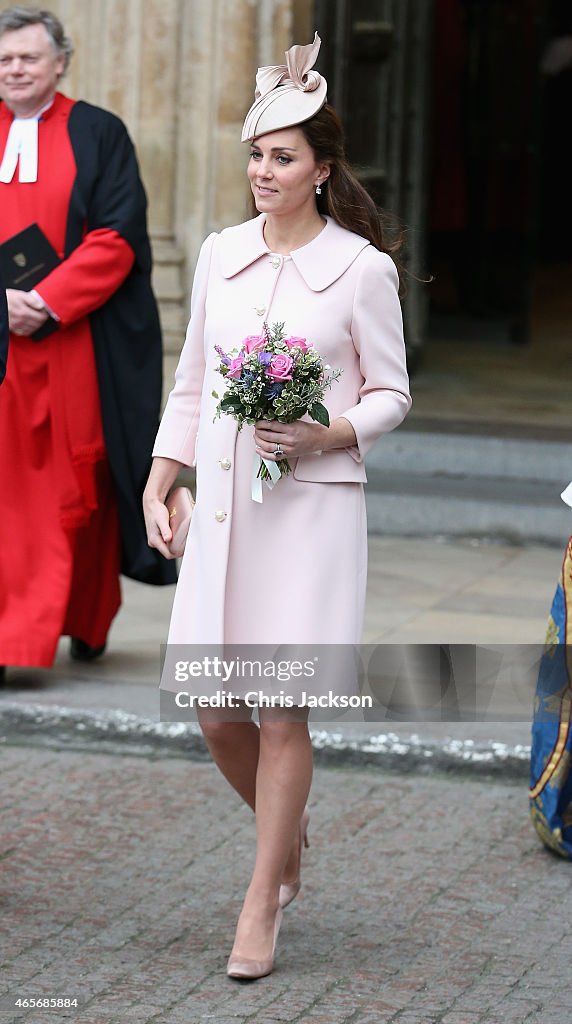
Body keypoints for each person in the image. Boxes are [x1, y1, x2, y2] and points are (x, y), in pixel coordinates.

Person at [143, 34, 411, 980]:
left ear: (321, 169)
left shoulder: (362, 270)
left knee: (285, 714)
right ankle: (285, 834)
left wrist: (325, 433)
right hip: (224, 511)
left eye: (282, 157)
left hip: (312, 514)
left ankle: (262, 900)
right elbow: (188, 380)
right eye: (255, 154)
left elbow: (391, 394)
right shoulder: (218, 253)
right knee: (219, 713)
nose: (263, 171)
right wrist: (160, 476)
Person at [0, 7, 175, 672]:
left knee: (79, 488)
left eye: (28, 58)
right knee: (10, 496)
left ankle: (86, 614)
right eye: (5, 59)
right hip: (1, 348)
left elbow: (118, 234)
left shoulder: (99, 133)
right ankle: (12, 637)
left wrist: (45, 301)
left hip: (72, 342)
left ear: (60, 62)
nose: (15, 70)